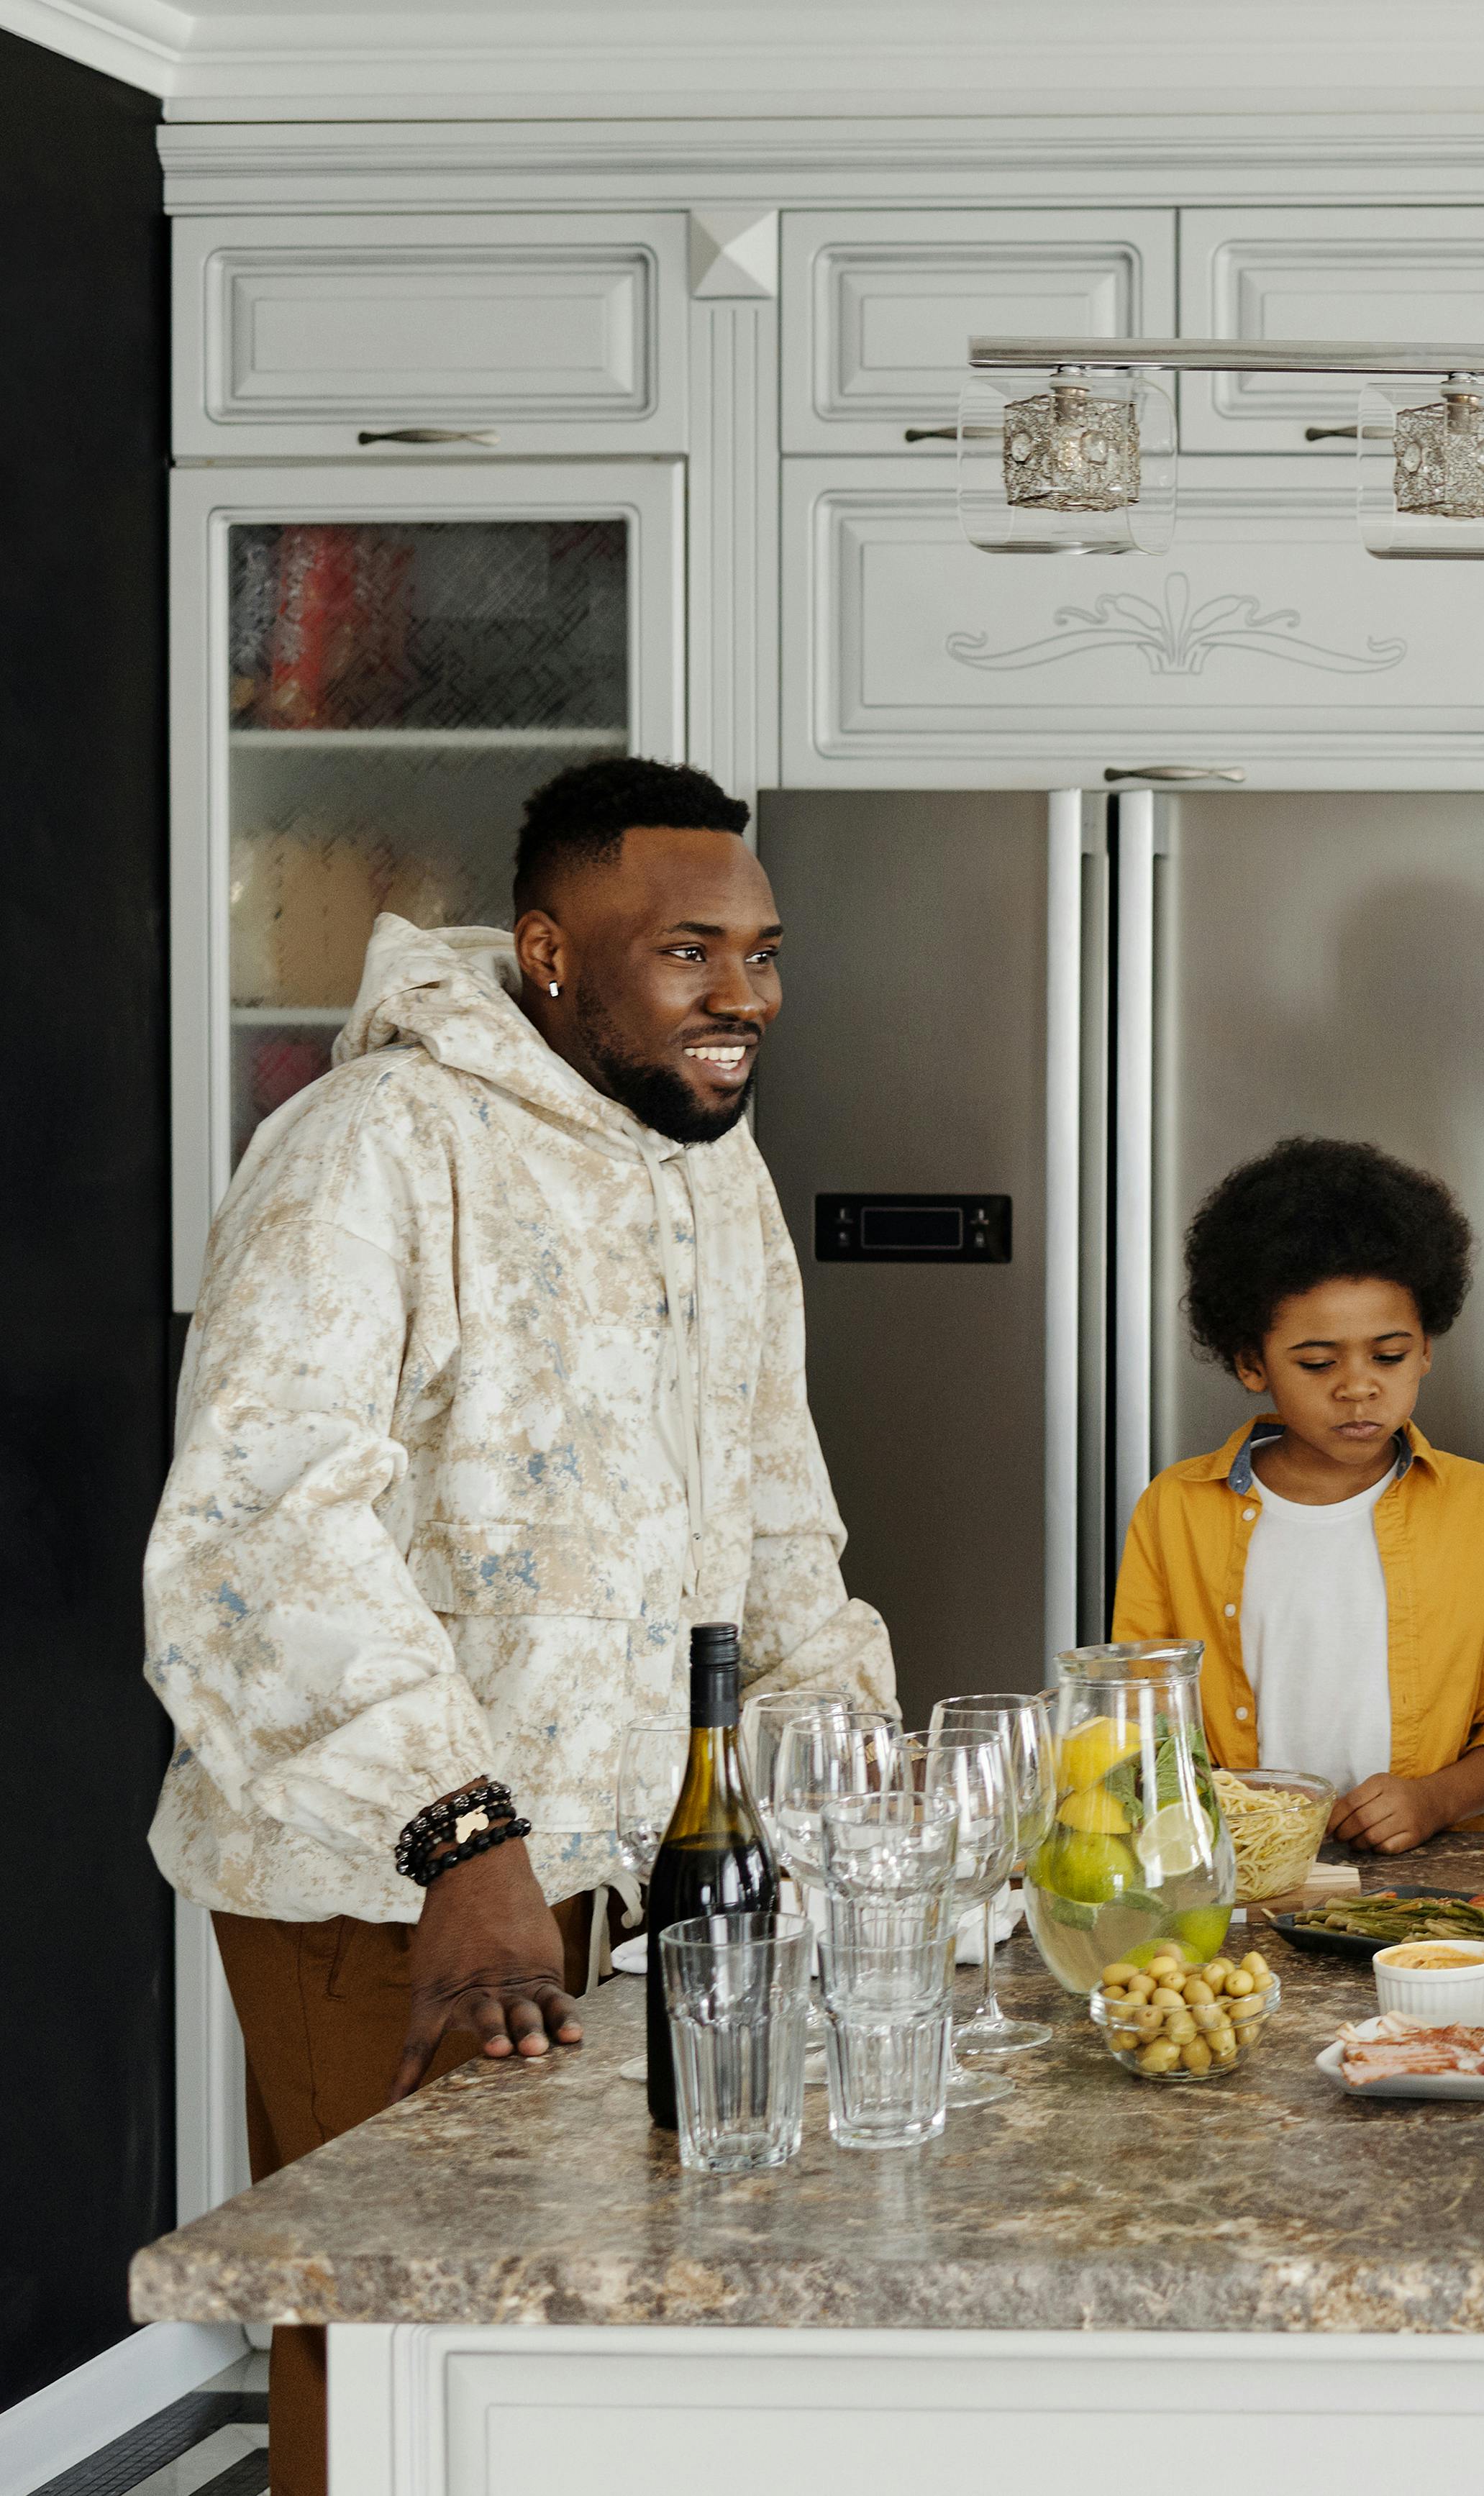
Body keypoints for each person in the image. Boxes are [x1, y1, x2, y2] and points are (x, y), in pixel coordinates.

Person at [141, 757, 896, 2496]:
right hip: (398, 1884)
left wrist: (846, 1742)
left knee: (593, 2363)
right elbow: (257, 1530)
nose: (745, 999)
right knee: (404, 2342)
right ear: (551, 953)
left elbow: (768, 1493)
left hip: (647, 1869)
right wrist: (461, 1835)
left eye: (765, 953)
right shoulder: (368, 1148)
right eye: (689, 952)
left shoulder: (710, 1164)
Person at [1110, 1137, 1484, 1853]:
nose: (1359, 1385)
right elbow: (1135, 1714)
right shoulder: (1174, 1509)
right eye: (1317, 1361)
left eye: (1387, 1355)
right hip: (1235, 1873)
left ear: (1426, 1348)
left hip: (1433, 1872)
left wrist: (1436, 1796)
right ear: (1250, 1361)